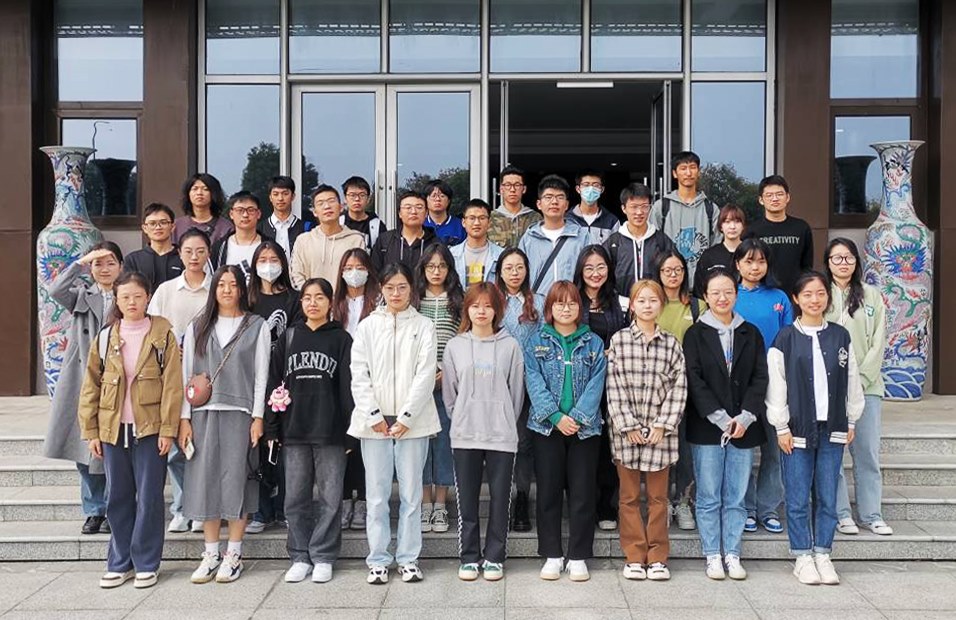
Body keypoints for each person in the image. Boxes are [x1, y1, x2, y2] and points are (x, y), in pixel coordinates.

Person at [78, 271, 182, 589]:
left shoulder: (163, 334)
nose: (132, 302)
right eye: (125, 297)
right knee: (118, 496)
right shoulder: (106, 337)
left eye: (137, 296)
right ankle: (119, 562)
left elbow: (173, 386)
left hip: (150, 430)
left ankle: (147, 562)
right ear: (116, 300)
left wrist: (168, 429)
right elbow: (90, 386)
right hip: (113, 430)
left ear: (148, 297)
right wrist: (91, 431)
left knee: (149, 497)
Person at [767, 271, 865, 586]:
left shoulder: (840, 336)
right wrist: (781, 426)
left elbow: (852, 379)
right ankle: (802, 556)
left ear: (828, 297)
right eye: (807, 294)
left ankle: (823, 553)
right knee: (797, 496)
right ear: (796, 299)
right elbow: (777, 385)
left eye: (820, 293)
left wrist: (851, 418)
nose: (814, 299)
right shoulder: (785, 338)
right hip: (797, 428)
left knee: (826, 495)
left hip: (832, 426)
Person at [348, 263, 440, 585]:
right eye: (390, 288)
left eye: (402, 287)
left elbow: (425, 374)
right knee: (376, 495)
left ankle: (408, 558)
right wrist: (373, 415)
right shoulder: (367, 326)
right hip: (373, 423)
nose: (396, 293)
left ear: (411, 288)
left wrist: (407, 417)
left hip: (413, 423)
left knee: (412, 495)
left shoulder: (424, 326)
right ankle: (378, 559)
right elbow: (358, 374)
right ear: (381, 290)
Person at [178, 265, 271, 584]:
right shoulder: (198, 326)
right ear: (214, 289)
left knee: (237, 481)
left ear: (242, 289)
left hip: (240, 413)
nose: (227, 290)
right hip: (202, 413)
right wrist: (184, 418)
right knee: (205, 481)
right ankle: (210, 553)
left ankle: (234, 553)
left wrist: (258, 417)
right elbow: (187, 375)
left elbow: (261, 375)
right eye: (221, 285)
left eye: (233, 284)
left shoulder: (257, 326)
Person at [265, 278, 354, 584]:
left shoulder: (341, 339)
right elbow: (274, 382)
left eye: (319, 297)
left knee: (331, 498)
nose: (313, 303)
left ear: (330, 303)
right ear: (301, 302)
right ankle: (300, 555)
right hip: (294, 430)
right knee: (295, 498)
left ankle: (324, 555)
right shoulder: (289, 338)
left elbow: (348, 389)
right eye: (307, 298)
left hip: (330, 431)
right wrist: (272, 428)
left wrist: (350, 431)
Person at [683, 269, 768, 581]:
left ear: (736, 294)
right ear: (705, 296)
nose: (722, 298)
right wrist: (720, 418)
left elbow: (760, 378)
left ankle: (732, 552)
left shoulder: (751, 333)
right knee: (708, 495)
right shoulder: (695, 334)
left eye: (728, 292)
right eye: (715, 292)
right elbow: (694, 379)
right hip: (708, 427)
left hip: (744, 427)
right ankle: (712, 554)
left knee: (736, 495)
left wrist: (745, 417)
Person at [525, 281, 607, 583]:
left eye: (572, 303)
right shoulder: (537, 341)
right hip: (547, 428)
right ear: (549, 308)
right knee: (548, 492)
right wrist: (556, 416)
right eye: (559, 303)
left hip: (585, 430)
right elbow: (533, 380)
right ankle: (552, 554)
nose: (566, 308)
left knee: (583, 493)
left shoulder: (593, 342)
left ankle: (578, 555)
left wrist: (578, 417)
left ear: (580, 308)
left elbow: (597, 384)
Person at [442, 282, 525, 582]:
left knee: (501, 500)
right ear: (467, 309)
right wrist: (463, 416)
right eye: (475, 305)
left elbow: (516, 394)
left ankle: (494, 557)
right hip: (466, 434)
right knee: (467, 501)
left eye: (488, 306)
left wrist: (502, 417)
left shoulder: (510, 346)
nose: (481, 311)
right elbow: (450, 394)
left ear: (497, 311)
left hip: (501, 434)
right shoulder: (455, 346)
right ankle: (469, 557)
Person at [606, 279, 687, 582]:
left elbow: (679, 387)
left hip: (659, 435)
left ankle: (657, 557)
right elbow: (613, 386)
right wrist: (627, 425)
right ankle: (634, 556)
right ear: (632, 305)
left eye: (653, 300)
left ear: (661, 304)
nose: (647, 305)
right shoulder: (619, 341)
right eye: (641, 300)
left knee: (658, 498)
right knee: (628, 498)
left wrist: (663, 425)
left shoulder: (671, 344)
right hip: (626, 434)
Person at [43, 242, 123, 536]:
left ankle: (114, 508)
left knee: (114, 449)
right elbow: (55, 290)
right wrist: (80, 262)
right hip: (82, 379)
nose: (105, 269)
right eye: (98, 264)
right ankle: (94, 510)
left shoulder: (128, 295)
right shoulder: (81, 295)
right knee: (84, 449)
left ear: (121, 267)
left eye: (111, 262)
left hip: (118, 380)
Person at [147, 228, 213, 534]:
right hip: (173, 376)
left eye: (200, 251)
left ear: (209, 253)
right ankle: (181, 508)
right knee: (176, 448)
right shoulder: (166, 290)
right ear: (180, 254)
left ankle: (201, 508)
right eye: (188, 251)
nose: (194, 257)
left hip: (209, 376)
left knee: (204, 447)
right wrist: (172, 346)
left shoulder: (217, 288)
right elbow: (152, 329)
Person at [825, 239, 892, 536]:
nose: (843, 263)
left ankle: (871, 514)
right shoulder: (821, 293)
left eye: (848, 257)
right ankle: (841, 513)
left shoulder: (871, 295)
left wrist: (861, 381)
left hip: (867, 387)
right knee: (833, 454)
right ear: (827, 261)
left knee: (866, 452)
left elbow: (879, 340)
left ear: (856, 261)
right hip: (829, 387)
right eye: (837, 258)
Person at [734, 237, 793, 535]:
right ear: (737, 264)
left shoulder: (779, 297)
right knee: (743, 447)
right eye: (748, 261)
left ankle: (768, 508)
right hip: (741, 383)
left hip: (775, 383)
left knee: (773, 449)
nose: (755, 267)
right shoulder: (730, 295)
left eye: (760, 261)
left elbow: (790, 338)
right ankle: (745, 507)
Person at [244, 240, 300, 535]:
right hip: (253, 382)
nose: (268, 265)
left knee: (286, 447)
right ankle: (261, 511)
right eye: (263, 260)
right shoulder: (247, 299)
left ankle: (285, 508)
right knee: (258, 447)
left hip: (286, 380)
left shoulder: (294, 298)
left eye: (274, 259)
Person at [573, 246, 628, 531]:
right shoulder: (571, 299)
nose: (595, 273)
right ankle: (582, 503)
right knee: (582, 444)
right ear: (580, 270)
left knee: (608, 445)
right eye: (589, 268)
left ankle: (607, 504)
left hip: (612, 384)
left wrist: (612, 353)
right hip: (578, 383)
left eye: (601, 267)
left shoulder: (619, 302)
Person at [654, 250, 705, 531]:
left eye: (678, 270)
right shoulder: (651, 302)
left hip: (689, 388)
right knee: (661, 447)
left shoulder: (698, 306)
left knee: (686, 449)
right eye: (667, 270)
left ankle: (683, 501)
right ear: (658, 273)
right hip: (655, 389)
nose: (673, 275)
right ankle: (661, 502)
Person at [414, 243, 464, 535]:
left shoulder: (458, 300)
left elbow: (463, 339)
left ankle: (441, 504)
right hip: (417, 382)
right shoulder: (414, 299)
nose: (436, 271)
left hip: (449, 381)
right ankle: (424, 503)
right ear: (422, 269)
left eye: (442, 266)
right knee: (421, 442)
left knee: (444, 443)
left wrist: (448, 371)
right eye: (431, 266)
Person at [495, 248, 544, 532]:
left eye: (519, 267)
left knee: (524, 443)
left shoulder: (538, 302)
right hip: (496, 382)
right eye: (509, 267)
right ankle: (502, 498)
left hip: (530, 381)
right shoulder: (491, 300)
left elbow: (546, 339)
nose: (514, 273)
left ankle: (522, 496)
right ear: (500, 271)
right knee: (500, 442)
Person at [333, 248, 381, 530]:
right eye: (349, 267)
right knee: (343, 442)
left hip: (370, 379)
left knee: (365, 442)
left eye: (360, 267)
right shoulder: (334, 303)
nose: (354, 273)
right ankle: (343, 500)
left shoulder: (378, 302)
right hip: (339, 380)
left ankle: (362, 500)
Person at [649, 151, 721, 282]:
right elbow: (653, 246)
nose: (688, 173)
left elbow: (716, 247)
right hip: (669, 283)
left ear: (698, 172)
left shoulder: (711, 208)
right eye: (683, 168)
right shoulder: (661, 207)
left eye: (693, 167)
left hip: (702, 283)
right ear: (674, 173)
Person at [518, 175, 588, 296]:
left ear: (566, 204)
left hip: (572, 303)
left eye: (560, 197)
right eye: (548, 197)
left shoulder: (582, 236)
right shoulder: (528, 238)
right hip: (538, 304)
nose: (554, 202)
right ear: (539, 204)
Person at [604, 182, 676, 299]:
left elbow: (674, 270)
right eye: (634, 207)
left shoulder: (661, 241)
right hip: (622, 305)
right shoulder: (614, 243)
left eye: (644, 206)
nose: (639, 212)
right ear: (623, 208)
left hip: (655, 303)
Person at [745, 174, 814, 295]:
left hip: (795, 294)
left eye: (779, 194)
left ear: (788, 197)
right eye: (769, 195)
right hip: (762, 294)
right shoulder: (752, 231)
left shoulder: (801, 228)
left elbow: (807, 266)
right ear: (761, 200)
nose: (775, 199)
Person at [290, 184, 366, 290]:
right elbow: (296, 275)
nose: (327, 206)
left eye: (331, 201)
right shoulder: (303, 241)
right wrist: (313, 295)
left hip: (344, 299)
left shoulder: (356, 240)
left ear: (341, 207)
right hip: (312, 299)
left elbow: (360, 274)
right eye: (320, 203)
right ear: (315, 212)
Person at [371, 190, 438, 273]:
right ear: (400, 213)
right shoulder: (385, 240)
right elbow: (375, 273)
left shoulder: (435, 243)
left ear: (426, 213)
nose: (413, 212)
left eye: (419, 207)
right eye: (408, 207)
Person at [123, 203, 183, 294]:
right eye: (152, 223)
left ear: (172, 226)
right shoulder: (133, 259)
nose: (158, 227)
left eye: (163, 222)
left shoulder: (184, 257)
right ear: (145, 228)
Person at [693, 204, 746, 300]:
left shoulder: (750, 252)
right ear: (721, 226)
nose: (732, 226)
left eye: (737, 222)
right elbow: (699, 289)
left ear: (743, 226)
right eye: (727, 222)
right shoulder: (709, 255)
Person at [211, 191, 267, 278]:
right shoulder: (219, 247)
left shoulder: (269, 246)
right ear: (231, 214)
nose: (245, 215)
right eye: (240, 210)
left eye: (250, 210)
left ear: (258, 214)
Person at [449, 198, 504, 286]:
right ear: (463, 222)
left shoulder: (501, 255)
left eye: (482, 218)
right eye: (472, 218)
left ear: (489, 222)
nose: (477, 223)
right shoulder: (451, 254)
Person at [488, 165, 542, 248]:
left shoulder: (535, 218)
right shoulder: (490, 219)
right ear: (501, 189)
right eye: (508, 185)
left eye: (517, 185)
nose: (512, 189)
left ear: (524, 189)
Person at [173, 173, 233, 245]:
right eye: (195, 189)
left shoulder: (226, 227)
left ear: (214, 193)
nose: (199, 193)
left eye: (205, 189)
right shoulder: (176, 226)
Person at [567, 170, 620, 245]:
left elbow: (616, 249)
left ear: (602, 189)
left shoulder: (612, 221)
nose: (591, 189)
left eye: (595, 185)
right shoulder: (567, 219)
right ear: (578, 189)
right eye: (586, 185)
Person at [258, 176, 306, 258]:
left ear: (293, 196)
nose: (280, 198)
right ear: (270, 197)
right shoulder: (260, 229)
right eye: (275, 194)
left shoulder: (306, 228)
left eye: (285, 194)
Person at [340, 176, 387, 248]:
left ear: (368, 199)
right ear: (345, 199)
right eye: (352, 195)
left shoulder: (377, 226)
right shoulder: (338, 223)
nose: (357, 199)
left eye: (362, 195)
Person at [423, 179, 465, 246]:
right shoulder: (419, 224)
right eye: (433, 196)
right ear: (425, 200)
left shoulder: (461, 225)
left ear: (448, 201)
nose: (438, 199)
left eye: (442, 196)